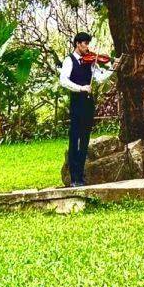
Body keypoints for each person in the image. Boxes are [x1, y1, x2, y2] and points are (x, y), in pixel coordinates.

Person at [59, 32, 120, 187]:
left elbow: (99, 78)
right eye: (85, 43)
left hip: (88, 103)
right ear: (78, 44)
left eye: (88, 43)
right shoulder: (69, 60)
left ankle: (81, 177)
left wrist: (112, 69)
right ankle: (74, 178)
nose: (87, 47)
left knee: (85, 139)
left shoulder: (91, 62)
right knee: (75, 140)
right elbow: (63, 81)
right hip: (77, 102)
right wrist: (81, 88)